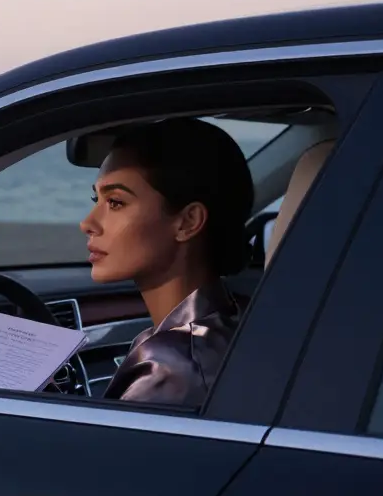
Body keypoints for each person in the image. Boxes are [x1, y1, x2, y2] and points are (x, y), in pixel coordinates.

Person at [79, 117, 254, 407]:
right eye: (96, 199)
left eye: (116, 202)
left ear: (188, 222)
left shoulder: (172, 370)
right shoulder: (238, 316)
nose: (87, 223)